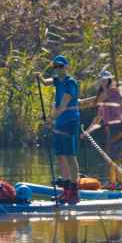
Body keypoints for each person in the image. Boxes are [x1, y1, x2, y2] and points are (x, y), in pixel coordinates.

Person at [40, 54, 81, 204]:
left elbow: (63, 105)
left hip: (70, 121)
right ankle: (65, 191)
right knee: (60, 156)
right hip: (60, 122)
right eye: (55, 67)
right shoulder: (57, 81)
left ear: (66, 67)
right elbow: (46, 83)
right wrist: (40, 78)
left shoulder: (71, 83)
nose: (57, 69)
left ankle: (74, 192)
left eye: (60, 66)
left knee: (70, 156)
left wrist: (50, 119)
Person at [86, 69, 122, 190]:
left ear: (109, 80)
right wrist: (88, 131)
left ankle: (118, 183)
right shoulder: (104, 95)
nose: (103, 82)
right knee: (112, 157)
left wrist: (79, 102)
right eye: (102, 80)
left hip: (117, 127)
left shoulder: (113, 92)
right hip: (110, 129)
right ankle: (116, 182)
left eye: (105, 80)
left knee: (114, 157)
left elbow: (99, 100)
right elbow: (98, 117)